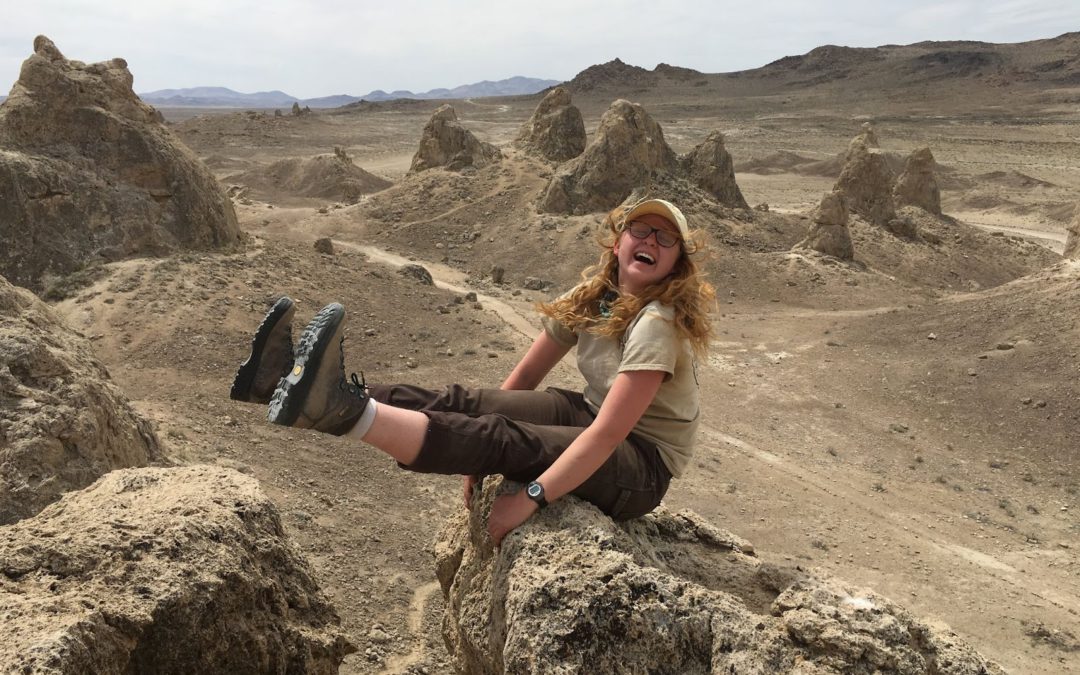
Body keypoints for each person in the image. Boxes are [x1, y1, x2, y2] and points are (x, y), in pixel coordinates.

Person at [230, 199, 715, 545]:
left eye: (664, 237)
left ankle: (340, 413)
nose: (650, 240)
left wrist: (532, 497)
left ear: (676, 263)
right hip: (590, 414)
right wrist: (476, 464)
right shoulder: (596, 294)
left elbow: (610, 434)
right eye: (639, 230)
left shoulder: (658, 322)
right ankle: (280, 385)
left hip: (642, 465)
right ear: (617, 243)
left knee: (502, 439)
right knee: (466, 403)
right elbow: (525, 376)